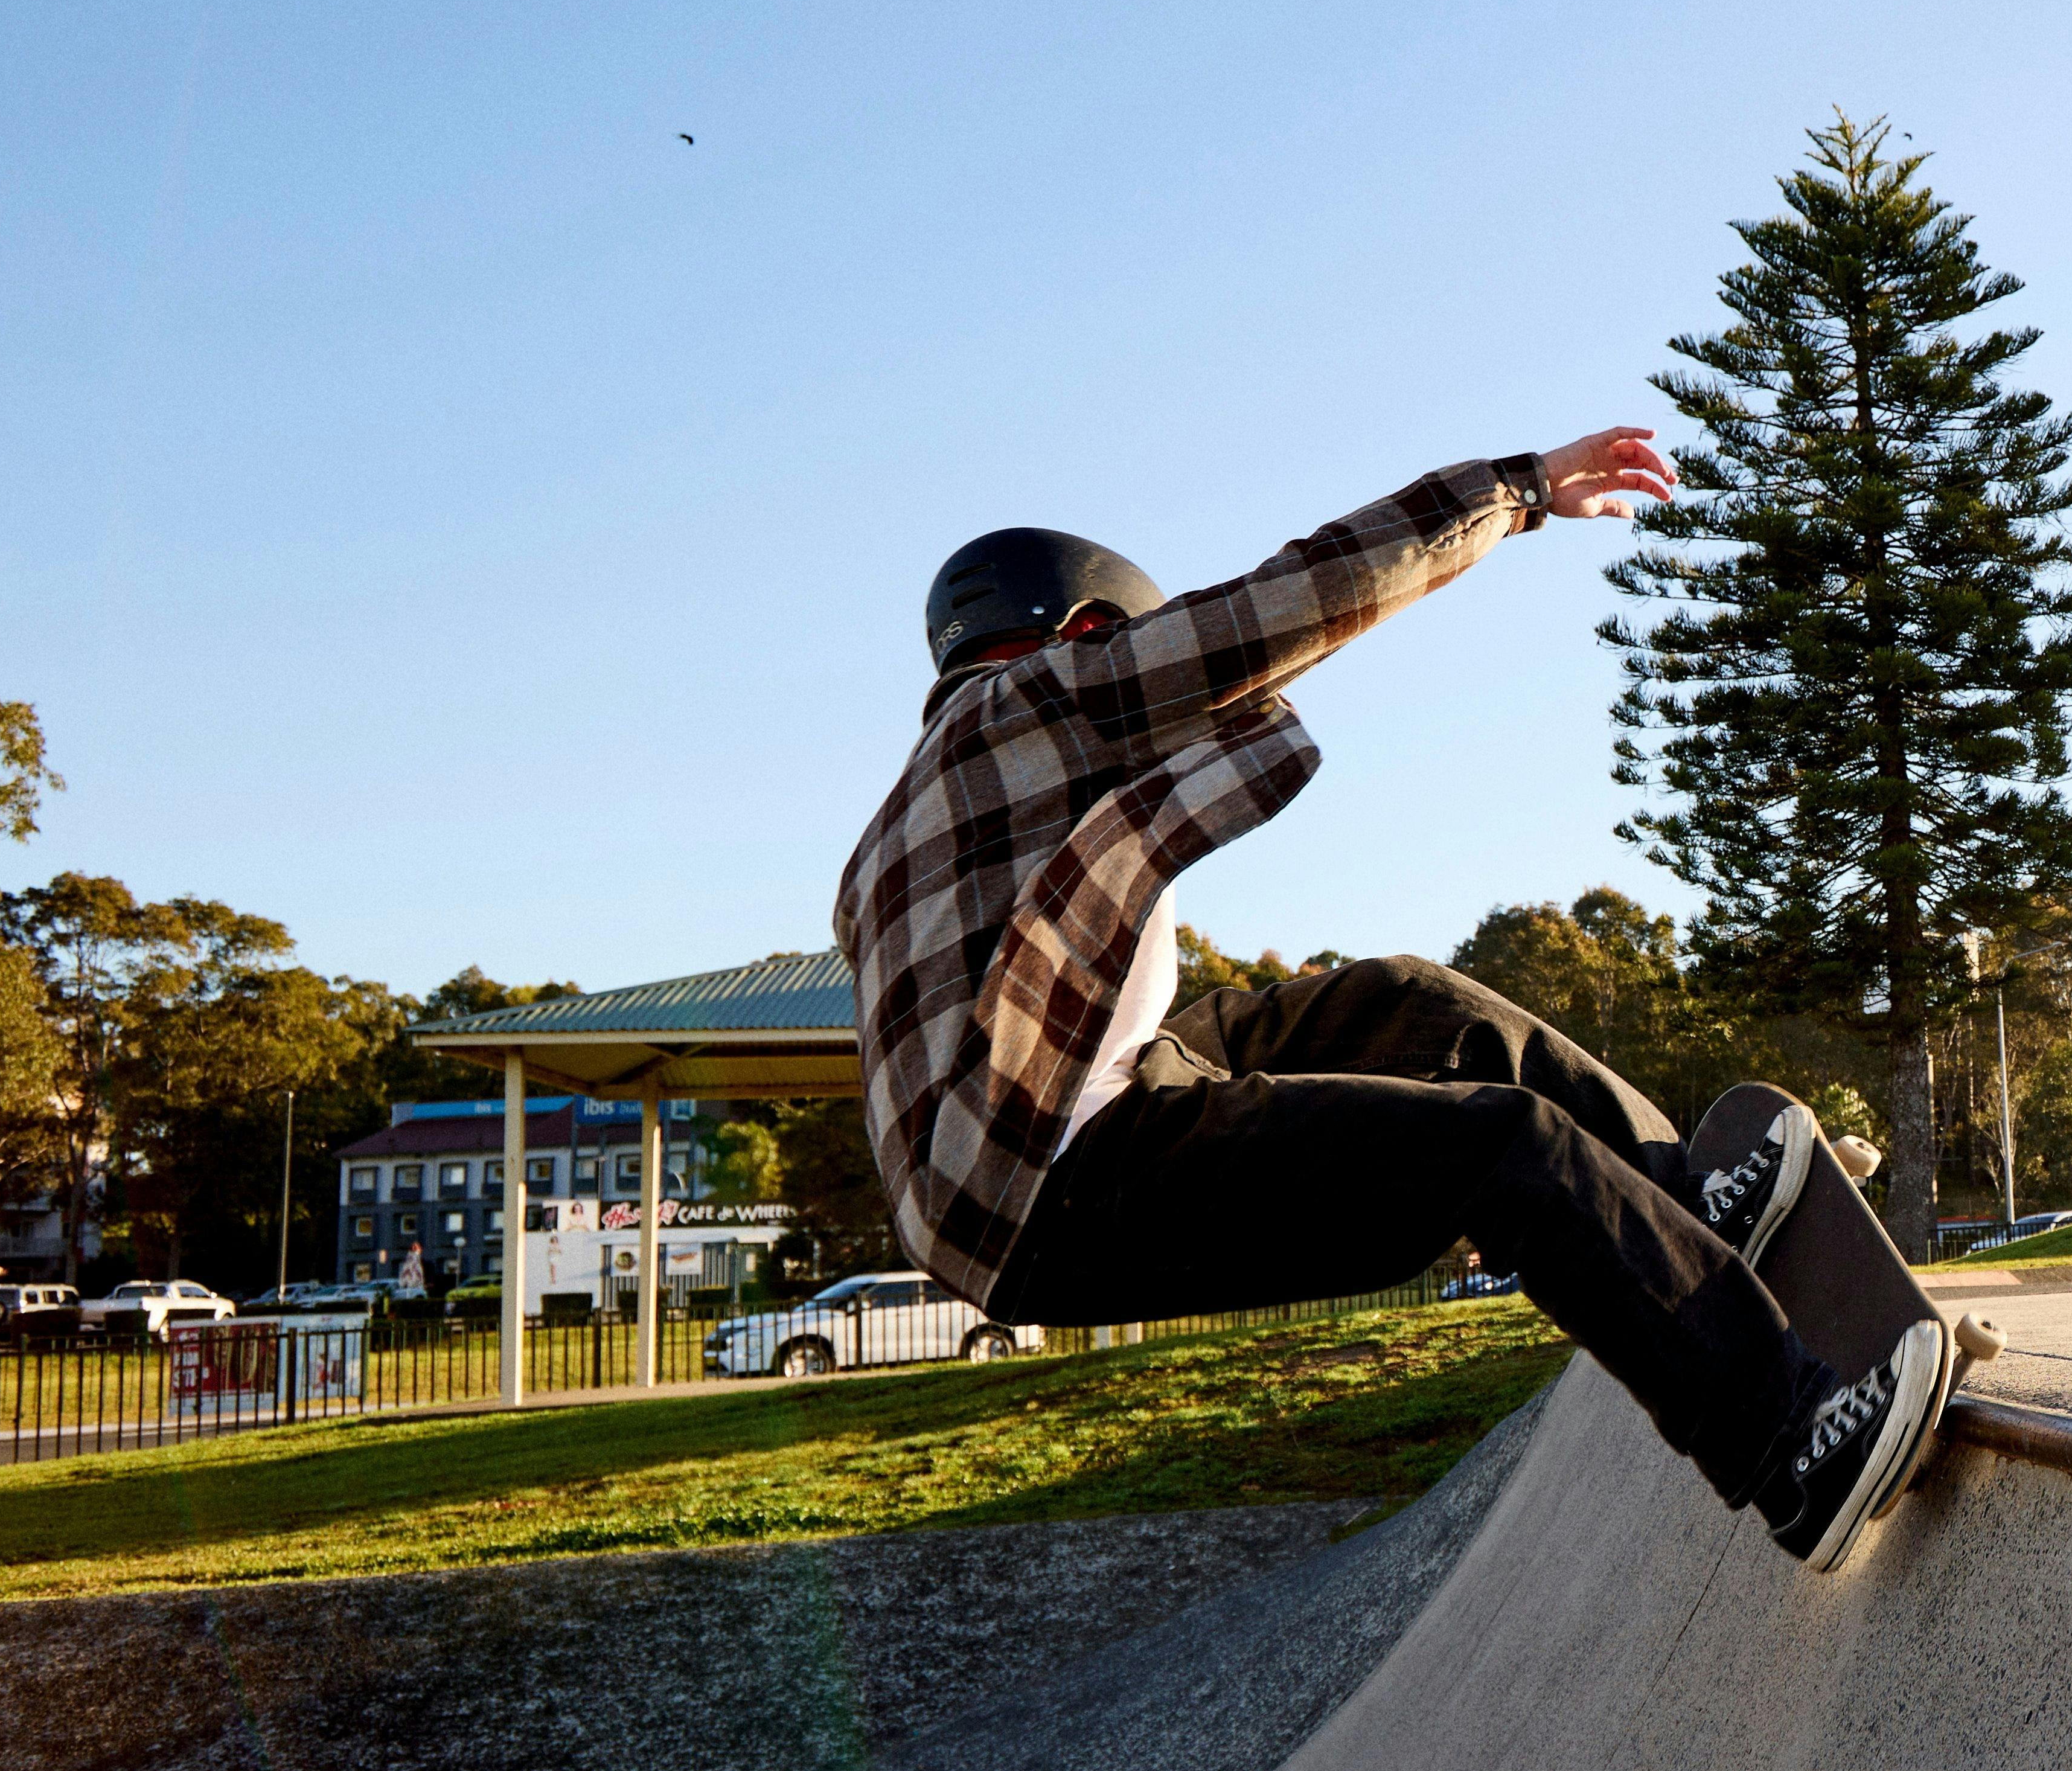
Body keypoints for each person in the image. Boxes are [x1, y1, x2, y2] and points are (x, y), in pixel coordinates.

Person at [834, 439, 1952, 1569]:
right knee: (1500, 1148)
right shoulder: (1047, 697)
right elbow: (1284, 604)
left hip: (1050, 1137)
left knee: (1401, 1003)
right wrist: (1518, 494)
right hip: (1060, 1182)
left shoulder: (897, 830)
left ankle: (1673, 1203)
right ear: (1084, 628)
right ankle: (1791, 1454)